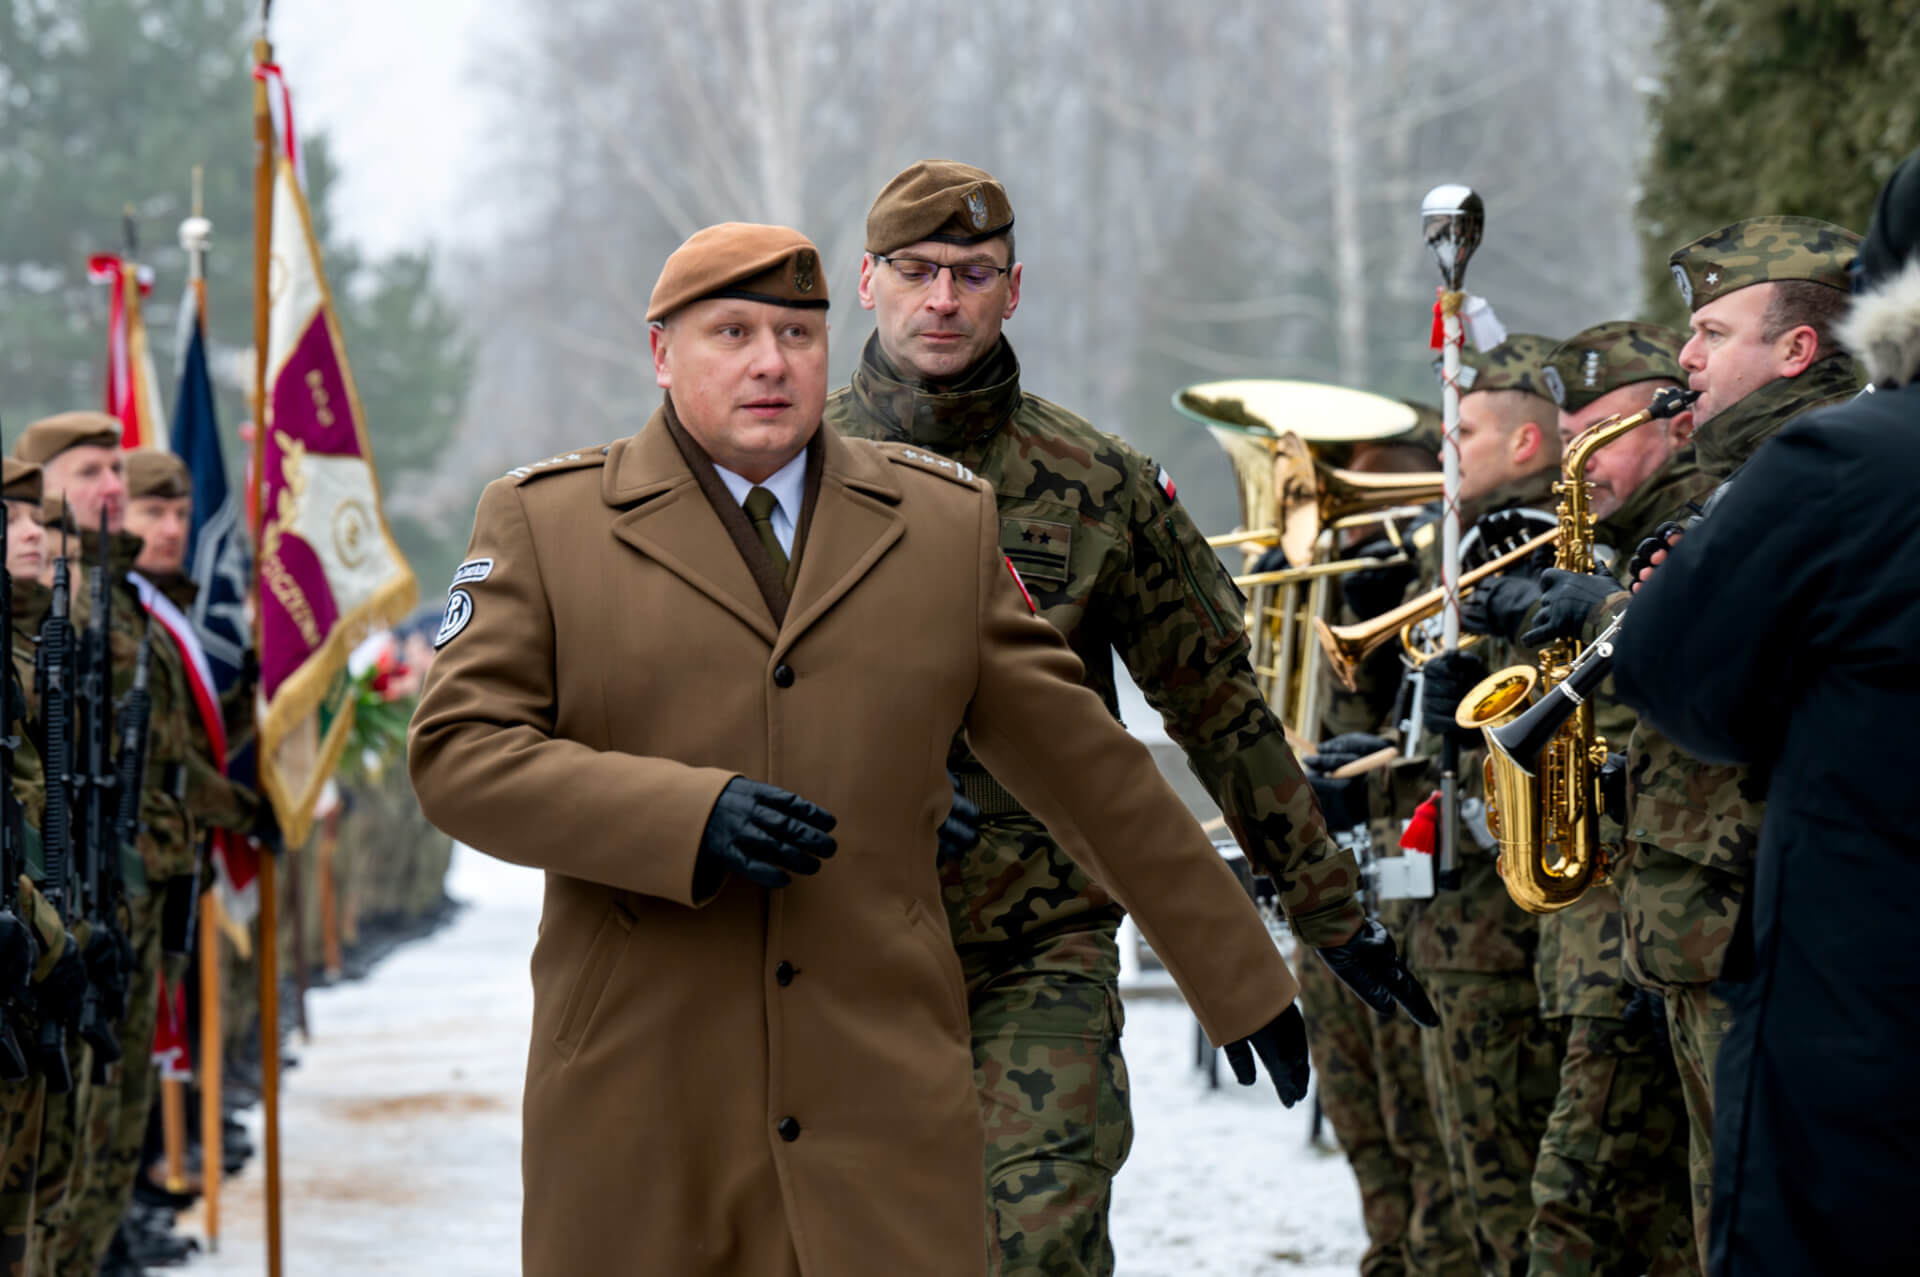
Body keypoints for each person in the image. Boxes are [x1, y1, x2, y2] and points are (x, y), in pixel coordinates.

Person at [409, 222, 1318, 1277]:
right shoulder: (548, 524)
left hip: (880, 1098)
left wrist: (1234, 970)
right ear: (661, 352)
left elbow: (1085, 760)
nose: (770, 361)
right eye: (733, 332)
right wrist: (681, 817)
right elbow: (462, 752)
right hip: (646, 1094)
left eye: (798, 332)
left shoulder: (935, 525)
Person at [823, 159, 1433, 1275]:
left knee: (1041, 1244)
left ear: (1018, 289)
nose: (943, 297)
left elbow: (1221, 712)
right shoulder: (782, 476)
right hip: (832, 947)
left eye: (973, 272)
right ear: (865, 282)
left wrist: (1328, 911)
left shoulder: (1097, 482)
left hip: (1037, 943)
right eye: (916, 270)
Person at [1526, 217, 1861, 1266]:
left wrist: (1615, 614)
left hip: (1759, 926)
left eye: (1715, 331)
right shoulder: (1755, 471)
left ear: (1795, 351)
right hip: (1706, 917)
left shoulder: (1806, 469)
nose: (1689, 356)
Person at [1611, 149, 1920, 1277]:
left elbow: (1672, 669)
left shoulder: (1836, 459)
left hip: (1847, 985)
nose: (1682, 357)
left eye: (1713, 333)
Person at [1465, 321, 1704, 1276]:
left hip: (1647, 930)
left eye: (1603, 428)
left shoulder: (1697, 528)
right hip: (1609, 936)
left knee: (1580, 1210)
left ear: (1675, 428)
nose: (1584, 454)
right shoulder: (1609, 540)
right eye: (1573, 434)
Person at [13, 415, 197, 1277]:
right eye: (92, 471)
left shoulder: (104, 604)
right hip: (43, 931)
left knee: (87, 1152)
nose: (114, 487)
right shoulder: (67, 612)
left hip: (99, 899)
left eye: (120, 468)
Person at [1402, 334, 1568, 1276]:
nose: (1444, 448)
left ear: (1525, 444)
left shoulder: (1547, 546)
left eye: (1461, 429)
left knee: (1515, 1193)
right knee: (1467, 1180)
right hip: (1455, 920)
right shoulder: (1460, 549)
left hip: (1509, 930)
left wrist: (1471, 717)